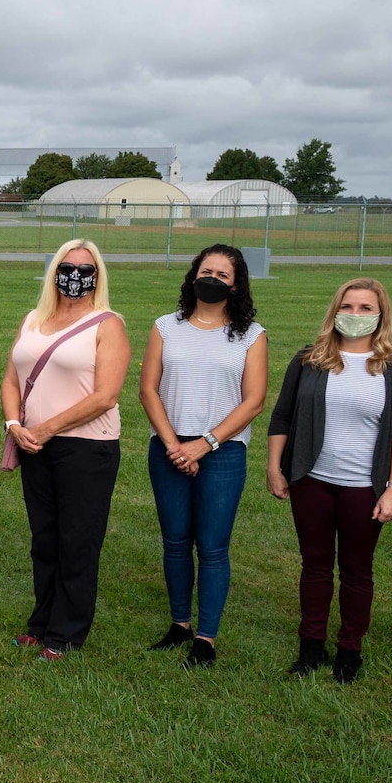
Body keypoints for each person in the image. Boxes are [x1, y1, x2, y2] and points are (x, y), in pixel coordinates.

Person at [265, 278, 392, 684]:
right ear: (335, 311)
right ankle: (310, 646)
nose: (355, 314)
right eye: (347, 306)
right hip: (311, 480)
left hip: (364, 488)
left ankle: (350, 650)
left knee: (356, 570)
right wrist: (274, 466)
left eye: (366, 307)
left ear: (381, 314)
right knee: (314, 565)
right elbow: (282, 417)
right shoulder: (309, 359)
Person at [137, 245, 268, 668]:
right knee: (175, 542)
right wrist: (175, 443)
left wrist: (204, 444)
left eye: (223, 274)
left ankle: (206, 638)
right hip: (169, 447)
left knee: (212, 547)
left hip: (223, 453)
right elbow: (147, 389)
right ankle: (179, 624)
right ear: (194, 275)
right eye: (206, 270)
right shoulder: (165, 326)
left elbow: (254, 401)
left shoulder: (251, 335)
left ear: (236, 284)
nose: (213, 278)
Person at [3, 239, 129, 661]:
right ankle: (40, 625)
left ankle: (66, 634)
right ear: (54, 271)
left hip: (86, 449)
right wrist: (15, 425)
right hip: (34, 445)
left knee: (77, 542)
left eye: (86, 268)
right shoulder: (33, 320)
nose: (75, 275)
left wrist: (46, 428)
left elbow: (105, 396)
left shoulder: (107, 324)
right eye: (67, 266)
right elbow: (10, 379)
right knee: (45, 540)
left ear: (98, 276)